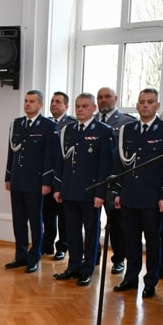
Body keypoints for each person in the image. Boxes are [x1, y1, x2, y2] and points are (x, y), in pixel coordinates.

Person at [112, 88, 163, 298]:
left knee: (152, 241)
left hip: (153, 197)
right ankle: (131, 278)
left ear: (157, 105)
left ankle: (150, 280)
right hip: (129, 195)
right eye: (141, 101)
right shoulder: (128, 129)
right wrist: (117, 192)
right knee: (131, 240)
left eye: (150, 102)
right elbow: (119, 164)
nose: (145, 105)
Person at [51, 93, 113, 286]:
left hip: (91, 192)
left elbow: (106, 166)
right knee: (72, 232)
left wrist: (100, 193)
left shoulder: (104, 131)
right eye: (77, 106)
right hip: (69, 190)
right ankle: (73, 267)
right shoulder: (68, 130)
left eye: (85, 106)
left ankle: (87, 269)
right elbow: (61, 161)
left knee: (91, 233)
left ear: (93, 108)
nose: (80, 109)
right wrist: (58, 187)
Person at [3, 90, 56, 273]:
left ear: (40, 104)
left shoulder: (48, 126)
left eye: (32, 101)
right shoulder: (16, 124)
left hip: (36, 182)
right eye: (26, 101)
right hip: (17, 180)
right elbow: (12, 153)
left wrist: (47, 182)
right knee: (18, 221)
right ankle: (21, 255)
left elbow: (50, 156)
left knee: (35, 222)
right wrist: (8, 176)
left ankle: (35, 257)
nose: (27, 104)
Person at [96, 87, 136, 275]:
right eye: (100, 97)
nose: (103, 100)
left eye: (107, 97)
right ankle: (92, 255)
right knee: (91, 221)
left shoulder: (127, 122)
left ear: (116, 99)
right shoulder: (91, 120)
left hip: (115, 180)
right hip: (93, 180)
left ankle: (119, 259)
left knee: (116, 223)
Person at [42, 91, 72, 260]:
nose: (54, 104)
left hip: (64, 178)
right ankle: (47, 245)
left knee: (63, 217)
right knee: (47, 214)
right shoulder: (45, 124)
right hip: (47, 177)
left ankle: (62, 247)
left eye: (58, 102)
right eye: (52, 101)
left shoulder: (72, 124)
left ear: (65, 107)